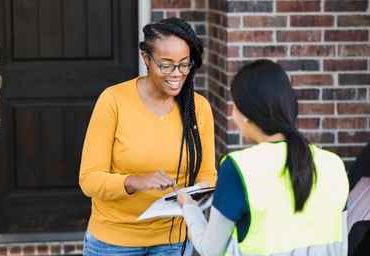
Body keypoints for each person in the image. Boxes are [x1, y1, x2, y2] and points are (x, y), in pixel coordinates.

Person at [177, 59, 350, 256]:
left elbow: (210, 250)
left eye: (234, 105)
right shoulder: (334, 165)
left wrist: (189, 207)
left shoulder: (238, 168)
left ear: (246, 114)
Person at [79, 17, 217, 256]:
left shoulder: (198, 108)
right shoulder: (113, 101)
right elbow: (89, 179)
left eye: (184, 64)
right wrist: (135, 181)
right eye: (166, 65)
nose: (177, 74)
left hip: (173, 240)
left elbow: (207, 172)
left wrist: (200, 191)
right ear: (146, 59)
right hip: (114, 240)